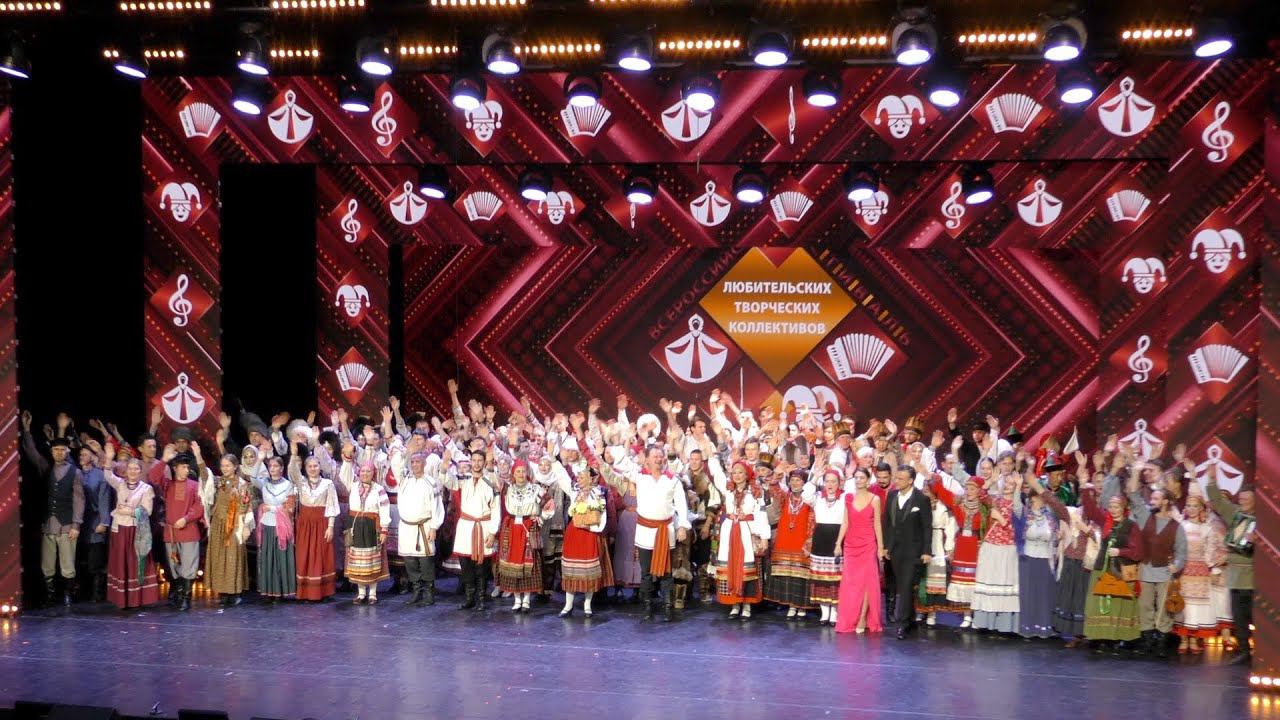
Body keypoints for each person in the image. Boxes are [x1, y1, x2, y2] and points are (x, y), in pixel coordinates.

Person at [598, 445, 691, 622]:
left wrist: (682, 526)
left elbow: (681, 505)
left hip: (665, 530)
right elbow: (623, 462)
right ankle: (647, 608)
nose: (658, 459)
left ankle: (667, 607)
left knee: (666, 573)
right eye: (654, 456)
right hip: (645, 531)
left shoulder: (672, 480)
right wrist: (612, 446)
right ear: (647, 459)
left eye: (660, 456)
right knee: (646, 572)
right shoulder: (640, 476)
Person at [20, 414, 84, 606]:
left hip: (67, 524)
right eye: (56, 449)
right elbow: (31, 452)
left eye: (62, 450)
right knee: (47, 563)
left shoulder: (75, 472)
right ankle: (50, 594)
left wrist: (76, 525)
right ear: (52, 451)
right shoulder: (45, 467)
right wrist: (27, 430)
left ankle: (67, 593)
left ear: (67, 452)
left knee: (67, 563)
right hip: (48, 523)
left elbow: (79, 499)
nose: (59, 452)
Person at [1080, 481, 1144, 655]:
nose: (1113, 510)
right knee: (1098, 604)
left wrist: (1121, 551)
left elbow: (1138, 552)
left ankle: (1117, 638)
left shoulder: (1131, 526)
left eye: (1117, 507)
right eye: (1111, 507)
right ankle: (1099, 638)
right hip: (1102, 569)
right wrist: (1085, 488)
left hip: (1120, 572)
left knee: (1118, 606)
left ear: (1124, 508)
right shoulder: (1106, 521)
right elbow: (1091, 510)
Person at [1126, 479, 1187, 658]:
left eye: (1156, 499)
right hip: (1146, 569)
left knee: (1163, 608)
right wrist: (1135, 473)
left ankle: (1161, 643)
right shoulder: (1146, 517)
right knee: (1144, 606)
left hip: (1165, 572)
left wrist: (1177, 564)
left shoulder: (1176, 526)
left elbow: (1182, 551)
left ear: (1165, 501)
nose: (1151, 501)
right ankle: (1147, 641)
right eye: (1151, 498)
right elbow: (1134, 497)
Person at [101, 444, 160, 609]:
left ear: (140, 471)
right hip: (120, 529)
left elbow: (147, 511)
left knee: (135, 564)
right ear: (126, 471)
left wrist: (129, 511)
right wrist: (109, 458)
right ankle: (122, 599)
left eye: (136, 469)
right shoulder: (120, 484)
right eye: (130, 468)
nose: (133, 471)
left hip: (136, 531)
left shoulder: (146, 489)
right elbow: (107, 475)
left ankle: (136, 599)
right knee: (121, 563)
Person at [710, 459, 770, 620]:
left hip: (747, 532)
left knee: (746, 568)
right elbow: (717, 474)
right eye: (734, 472)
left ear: (747, 474)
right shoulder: (728, 490)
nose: (737, 475)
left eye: (740, 472)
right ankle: (735, 603)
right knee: (731, 565)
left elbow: (761, 514)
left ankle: (747, 605)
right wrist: (711, 455)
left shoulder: (755, 492)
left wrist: (764, 537)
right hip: (730, 531)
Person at [1207, 465, 1255, 665]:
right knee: (1239, 617)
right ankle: (1243, 651)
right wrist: (1211, 480)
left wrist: (1259, 540)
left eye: (1246, 499)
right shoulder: (1235, 513)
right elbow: (1218, 501)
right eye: (1241, 499)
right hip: (1236, 576)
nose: (1242, 502)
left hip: (1255, 576)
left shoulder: (1266, 519)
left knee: (1257, 618)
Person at [1173, 487, 1227, 655]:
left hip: (1201, 572)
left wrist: (1214, 569)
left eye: (1195, 506)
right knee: (1184, 605)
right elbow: (1175, 548)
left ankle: (1194, 639)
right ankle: (1183, 639)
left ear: (1201, 508)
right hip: (1183, 571)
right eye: (1188, 505)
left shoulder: (1207, 528)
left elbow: (1210, 551)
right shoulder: (1180, 526)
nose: (1191, 509)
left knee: (1196, 606)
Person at [444, 449, 500, 612]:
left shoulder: (490, 482)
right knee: (465, 564)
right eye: (474, 460)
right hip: (466, 527)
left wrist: (492, 532)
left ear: (484, 462)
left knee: (481, 567)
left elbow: (496, 509)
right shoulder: (464, 481)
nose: (476, 464)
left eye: (479, 460)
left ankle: (481, 599)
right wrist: (444, 465)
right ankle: (469, 598)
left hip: (483, 526)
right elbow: (448, 481)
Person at [149, 447, 204, 612]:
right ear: (175, 468)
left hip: (188, 532)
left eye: (188, 467)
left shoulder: (194, 485)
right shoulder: (168, 485)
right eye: (183, 467)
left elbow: (199, 506)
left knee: (189, 566)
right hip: (171, 533)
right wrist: (164, 460)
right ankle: (178, 594)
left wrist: (186, 518)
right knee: (174, 566)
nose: (186, 470)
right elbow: (153, 477)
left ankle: (186, 598)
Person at [930, 472, 986, 629]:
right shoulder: (959, 504)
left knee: (976, 581)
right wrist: (935, 479)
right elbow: (942, 493)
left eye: (972, 489)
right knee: (963, 581)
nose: (969, 492)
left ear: (979, 491)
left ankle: (977, 616)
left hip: (976, 545)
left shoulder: (984, 508)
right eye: (967, 488)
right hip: (962, 545)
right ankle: (967, 615)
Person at [880, 465, 930, 639]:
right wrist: (886, 546)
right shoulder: (892, 495)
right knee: (903, 585)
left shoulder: (921, 499)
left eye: (901, 478)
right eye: (896, 477)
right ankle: (910, 619)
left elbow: (927, 527)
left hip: (913, 550)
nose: (896, 481)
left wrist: (926, 551)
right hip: (895, 549)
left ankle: (901, 624)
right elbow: (887, 522)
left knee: (907, 585)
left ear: (910, 481)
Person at [200, 451, 254, 606]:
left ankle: (235, 591)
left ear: (235, 466)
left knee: (233, 557)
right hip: (218, 523)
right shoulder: (217, 482)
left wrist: (245, 526)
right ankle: (222, 592)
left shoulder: (242, 484)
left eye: (228, 465)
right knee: (219, 557)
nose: (224, 468)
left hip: (235, 525)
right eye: (222, 466)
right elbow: (204, 476)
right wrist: (198, 457)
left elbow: (246, 506)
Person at [558, 464, 612, 617]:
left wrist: (591, 526)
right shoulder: (575, 490)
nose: (579, 480)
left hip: (589, 534)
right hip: (574, 533)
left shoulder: (599, 493)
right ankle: (568, 605)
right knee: (571, 569)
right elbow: (562, 477)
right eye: (578, 477)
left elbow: (602, 515)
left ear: (590, 479)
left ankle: (587, 604)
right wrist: (554, 460)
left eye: (582, 477)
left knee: (589, 571)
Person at [393, 449, 445, 606]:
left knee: (425, 560)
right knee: (409, 560)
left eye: (418, 462)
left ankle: (428, 592)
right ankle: (417, 590)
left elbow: (437, 506)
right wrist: (405, 452)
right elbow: (396, 464)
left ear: (424, 464)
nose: (415, 465)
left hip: (424, 526)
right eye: (413, 462)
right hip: (406, 527)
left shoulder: (431, 482)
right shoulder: (405, 480)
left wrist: (434, 527)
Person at [496, 462, 550, 612]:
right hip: (512, 527)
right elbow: (494, 477)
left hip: (528, 527)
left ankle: (526, 599)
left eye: (523, 471)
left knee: (528, 562)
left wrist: (540, 517)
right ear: (513, 474)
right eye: (518, 471)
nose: (521, 474)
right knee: (511, 562)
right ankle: (517, 599)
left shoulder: (536, 489)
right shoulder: (508, 489)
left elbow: (550, 505)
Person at [834, 466, 882, 633]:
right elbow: (845, 522)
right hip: (851, 545)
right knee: (851, 582)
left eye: (862, 477)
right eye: (857, 477)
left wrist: (880, 548)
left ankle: (862, 618)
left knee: (868, 581)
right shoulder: (848, 498)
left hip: (868, 544)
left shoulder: (875, 499)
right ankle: (850, 618)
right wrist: (838, 543)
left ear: (868, 480)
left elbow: (877, 525)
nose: (859, 480)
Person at [970, 473, 1020, 634]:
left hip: (1008, 549)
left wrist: (1002, 520)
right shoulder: (996, 501)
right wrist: (990, 481)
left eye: (1011, 484)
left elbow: (1019, 532)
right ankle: (984, 622)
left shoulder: (1019, 506)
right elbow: (981, 494)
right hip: (991, 546)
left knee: (1004, 585)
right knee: (988, 583)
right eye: (1006, 483)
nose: (1007, 486)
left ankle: (1004, 624)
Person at [288, 449, 340, 602]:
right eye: (309, 466)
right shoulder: (301, 482)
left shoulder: (328, 484)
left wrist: (330, 526)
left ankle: (324, 592)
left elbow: (331, 505)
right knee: (304, 555)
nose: (312, 468)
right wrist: (293, 454)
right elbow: (292, 470)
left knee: (322, 555)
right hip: (305, 524)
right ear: (305, 468)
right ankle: (305, 593)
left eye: (315, 466)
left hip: (321, 523)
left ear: (320, 467)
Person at [764, 470, 814, 619]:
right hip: (785, 541)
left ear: (804, 482)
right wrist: (774, 477)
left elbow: (813, 521)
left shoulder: (810, 499)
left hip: (801, 540)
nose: (794, 483)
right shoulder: (786, 497)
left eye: (798, 480)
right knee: (788, 575)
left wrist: (809, 541)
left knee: (801, 575)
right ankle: (792, 605)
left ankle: (802, 606)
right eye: (792, 480)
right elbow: (775, 490)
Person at [1017, 473, 1061, 639]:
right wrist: (1018, 486)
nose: (1035, 500)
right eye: (1033, 497)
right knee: (1028, 593)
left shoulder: (1050, 517)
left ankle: (1042, 626)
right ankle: (1027, 627)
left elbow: (1054, 537)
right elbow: (1016, 506)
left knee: (1043, 594)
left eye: (1039, 497)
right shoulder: (1025, 514)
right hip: (1028, 558)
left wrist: (1058, 538)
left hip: (1045, 558)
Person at [341, 460, 392, 604]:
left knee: (371, 560)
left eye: (368, 471)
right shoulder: (353, 486)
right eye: (362, 471)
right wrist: (347, 459)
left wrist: (384, 529)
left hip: (371, 527)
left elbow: (384, 509)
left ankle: (372, 594)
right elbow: (344, 474)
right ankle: (361, 593)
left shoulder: (379, 489)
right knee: (358, 561)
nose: (365, 473)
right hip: (355, 525)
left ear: (373, 473)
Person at [252, 455, 297, 601]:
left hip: (282, 526)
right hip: (267, 524)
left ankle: (282, 591)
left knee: (281, 558)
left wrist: (271, 508)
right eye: (270, 466)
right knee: (268, 558)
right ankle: (269, 590)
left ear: (282, 468)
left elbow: (289, 508)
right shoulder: (264, 483)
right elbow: (252, 477)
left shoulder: (288, 485)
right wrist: (259, 459)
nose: (272, 468)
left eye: (276, 466)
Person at [918, 479, 959, 627]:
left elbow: (950, 527)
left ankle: (932, 613)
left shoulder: (942, 507)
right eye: (924, 487)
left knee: (933, 578)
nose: (925, 490)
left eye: (928, 488)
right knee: (921, 578)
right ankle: (921, 610)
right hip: (920, 542)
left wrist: (949, 547)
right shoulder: (918, 504)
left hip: (936, 543)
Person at [808, 468, 846, 625]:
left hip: (837, 538)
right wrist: (815, 477)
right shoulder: (818, 497)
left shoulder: (845, 497)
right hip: (820, 539)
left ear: (839, 483)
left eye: (833, 481)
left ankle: (835, 613)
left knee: (836, 579)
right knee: (821, 578)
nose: (830, 484)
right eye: (827, 481)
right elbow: (805, 495)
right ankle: (824, 612)